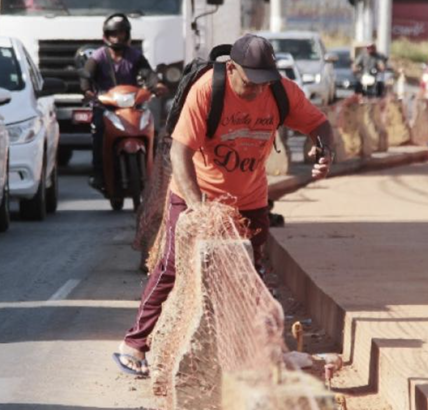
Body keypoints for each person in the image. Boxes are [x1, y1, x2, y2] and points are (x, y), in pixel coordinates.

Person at [112, 33, 335, 376]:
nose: (258, 90)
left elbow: (320, 124)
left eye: (264, 82)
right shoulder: (207, 90)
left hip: (249, 199)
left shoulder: (281, 92)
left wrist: (323, 151)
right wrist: (199, 208)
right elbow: (179, 152)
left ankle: (258, 353)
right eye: (250, 82)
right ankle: (135, 344)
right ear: (232, 68)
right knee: (171, 267)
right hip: (194, 194)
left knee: (253, 273)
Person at [81, 13, 167, 190]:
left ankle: (158, 172)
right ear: (106, 35)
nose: (117, 37)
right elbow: (86, 76)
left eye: (121, 33)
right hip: (106, 106)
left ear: (127, 35)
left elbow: (148, 74)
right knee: (98, 132)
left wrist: (156, 84)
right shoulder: (98, 57)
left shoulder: (135, 56)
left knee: (153, 130)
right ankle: (98, 174)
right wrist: (88, 91)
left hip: (132, 106)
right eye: (114, 33)